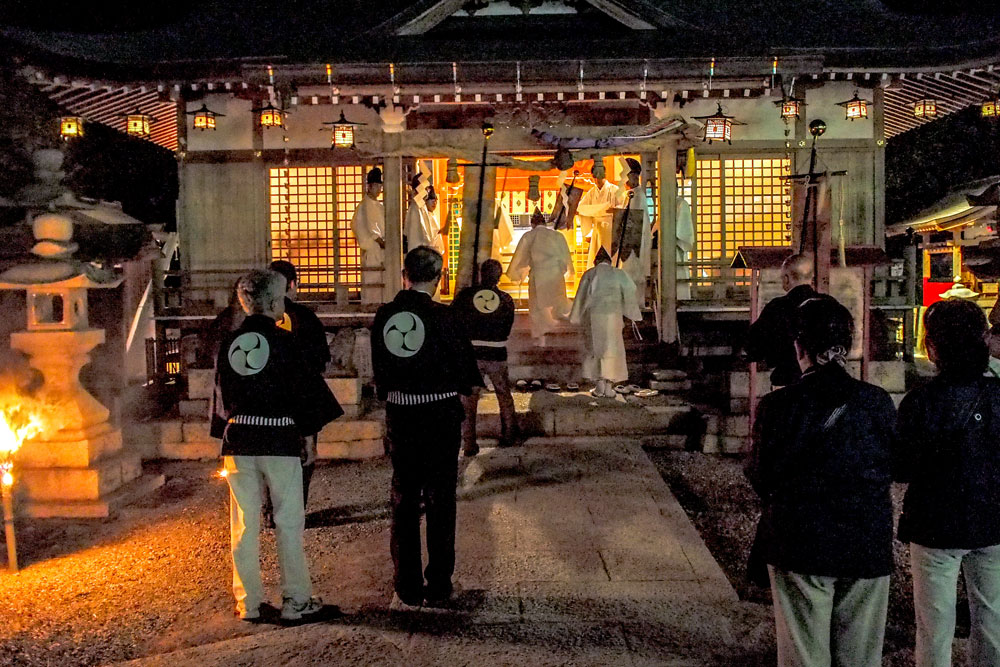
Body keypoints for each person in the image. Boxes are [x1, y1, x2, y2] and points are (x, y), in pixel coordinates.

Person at [745, 296, 895, 667]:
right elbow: (894, 463)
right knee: (861, 653)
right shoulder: (876, 402)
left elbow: (762, 474)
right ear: (847, 346)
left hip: (799, 538)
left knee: (803, 652)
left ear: (800, 347)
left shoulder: (778, 406)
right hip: (866, 537)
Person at [210, 269, 343, 621]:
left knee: (243, 524)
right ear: (272, 302)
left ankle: (248, 602)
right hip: (279, 438)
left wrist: (224, 432)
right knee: (287, 521)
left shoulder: (229, 343)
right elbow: (305, 394)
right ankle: (296, 601)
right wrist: (310, 437)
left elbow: (221, 395)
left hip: (238, 440)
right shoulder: (287, 342)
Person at [371, 246, 482, 609]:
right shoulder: (446, 317)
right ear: (437, 278)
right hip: (439, 416)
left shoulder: (385, 315)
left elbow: (380, 370)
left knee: (403, 498)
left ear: (404, 275)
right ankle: (438, 583)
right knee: (440, 499)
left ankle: (406, 583)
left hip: (401, 415)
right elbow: (467, 372)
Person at [895, 298, 1000, 667]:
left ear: (933, 347)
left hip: (934, 525)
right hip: (993, 520)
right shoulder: (998, 396)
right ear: (983, 341)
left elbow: (901, 467)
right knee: (993, 620)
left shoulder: (920, 401)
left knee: (934, 626)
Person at [266, 260, 330, 516]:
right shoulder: (306, 318)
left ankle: (270, 508)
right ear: (292, 284)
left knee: (269, 457)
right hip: (303, 400)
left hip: (265, 402)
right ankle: (295, 508)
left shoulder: (252, 321)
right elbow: (321, 361)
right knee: (303, 457)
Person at [452, 259, 519, 456]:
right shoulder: (506, 299)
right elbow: (508, 325)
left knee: (468, 400)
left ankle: (469, 444)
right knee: (504, 395)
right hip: (497, 353)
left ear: (481, 274)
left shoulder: (466, 296)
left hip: (471, 353)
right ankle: (509, 435)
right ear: (499, 277)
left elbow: (454, 318)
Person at [569, 247, 642, 399]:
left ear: (596, 262)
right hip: (613, 316)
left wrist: (575, 316)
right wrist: (630, 312)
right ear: (609, 262)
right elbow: (631, 288)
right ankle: (609, 387)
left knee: (595, 349)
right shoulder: (619, 273)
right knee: (612, 350)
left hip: (594, 317)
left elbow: (581, 296)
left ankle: (599, 386)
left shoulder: (590, 274)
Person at [745, 253, 819, 388]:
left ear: (786, 279)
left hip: (787, 383)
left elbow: (752, 347)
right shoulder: (831, 305)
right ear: (812, 278)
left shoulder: (777, 307)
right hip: (825, 386)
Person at [506, 208, 574, 345]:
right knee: (556, 303)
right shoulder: (558, 236)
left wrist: (517, 274)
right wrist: (566, 271)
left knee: (538, 307)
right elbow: (566, 257)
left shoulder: (529, 236)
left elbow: (520, 258)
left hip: (539, 275)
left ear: (532, 224)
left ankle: (542, 338)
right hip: (556, 275)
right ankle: (557, 336)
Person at [615, 157, 653, 307]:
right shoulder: (630, 194)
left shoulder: (638, 196)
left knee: (633, 274)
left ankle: (634, 306)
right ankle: (629, 305)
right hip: (629, 241)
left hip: (634, 243)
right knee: (628, 274)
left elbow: (636, 221)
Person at [350, 166, 385, 304]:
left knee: (379, 285)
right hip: (373, 250)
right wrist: (384, 243)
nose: (379, 189)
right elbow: (373, 230)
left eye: (380, 186)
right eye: (376, 186)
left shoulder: (375, 205)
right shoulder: (366, 205)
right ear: (370, 186)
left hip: (377, 250)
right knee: (373, 285)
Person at [576, 160, 619, 267]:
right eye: (595, 176)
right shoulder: (591, 192)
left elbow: (623, 208)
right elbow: (582, 208)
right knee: (596, 256)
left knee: (611, 257)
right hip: (597, 228)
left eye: (600, 175)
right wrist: (587, 231)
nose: (597, 179)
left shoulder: (615, 190)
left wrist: (615, 210)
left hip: (611, 229)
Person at [404, 177, 446, 255]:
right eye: (425, 188)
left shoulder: (422, 208)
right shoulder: (415, 208)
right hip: (418, 254)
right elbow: (422, 235)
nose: (427, 192)